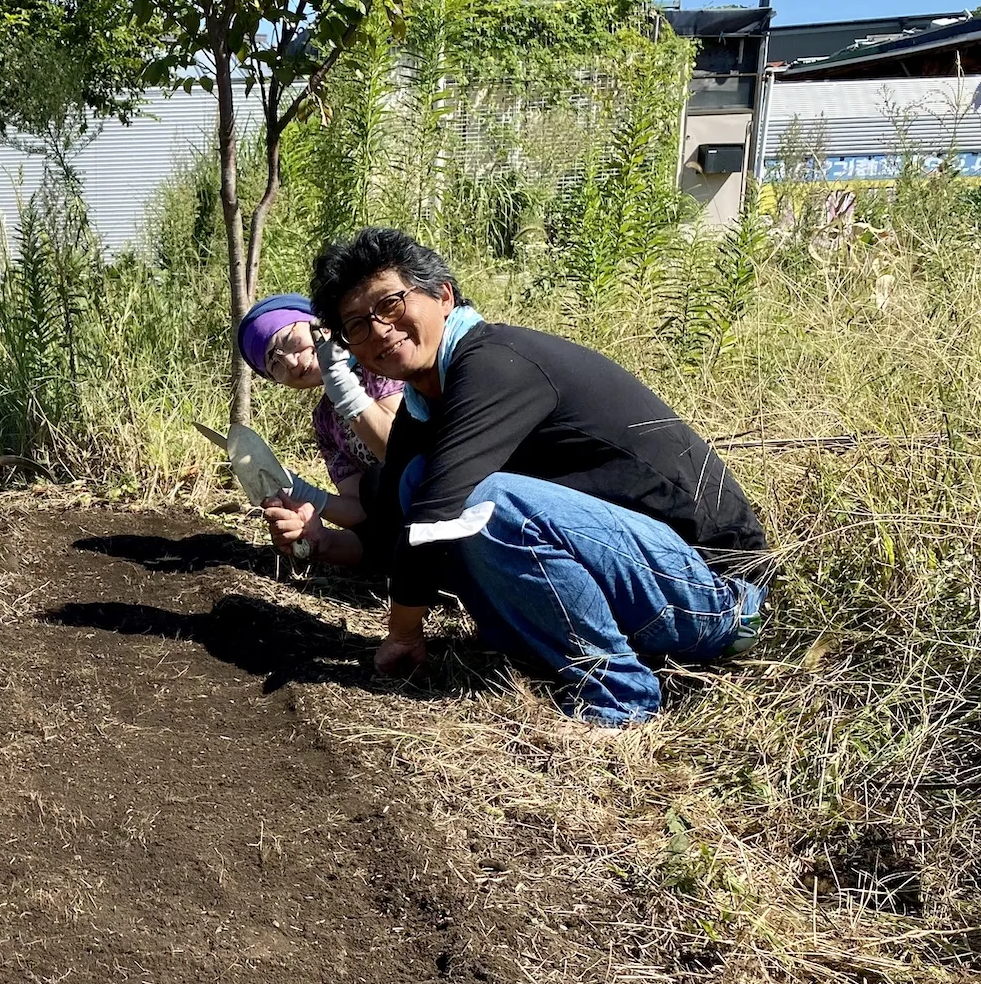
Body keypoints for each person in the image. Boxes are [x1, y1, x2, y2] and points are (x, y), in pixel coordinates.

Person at [283, 227, 771, 727]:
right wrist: (319, 540)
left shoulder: (496, 364)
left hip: (716, 598)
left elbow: (440, 511)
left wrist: (404, 633)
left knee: (482, 500)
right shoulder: (423, 407)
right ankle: (533, 653)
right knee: (413, 484)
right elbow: (395, 527)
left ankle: (620, 698)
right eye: (356, 326)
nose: (380, 331)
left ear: (443, 295)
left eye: (390, 304)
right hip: (641, 586)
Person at [237, 292, 404, 567]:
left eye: (289, 341)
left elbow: (403, 452)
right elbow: (364, 509)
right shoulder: (325, 419)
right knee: (374, 492)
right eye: (274, 366)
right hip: (405, 516)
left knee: (379, 480)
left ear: (319, 324)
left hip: (447, 491)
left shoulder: (380, 358)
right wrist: (296, 489)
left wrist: (342, 386)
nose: (290, 363)